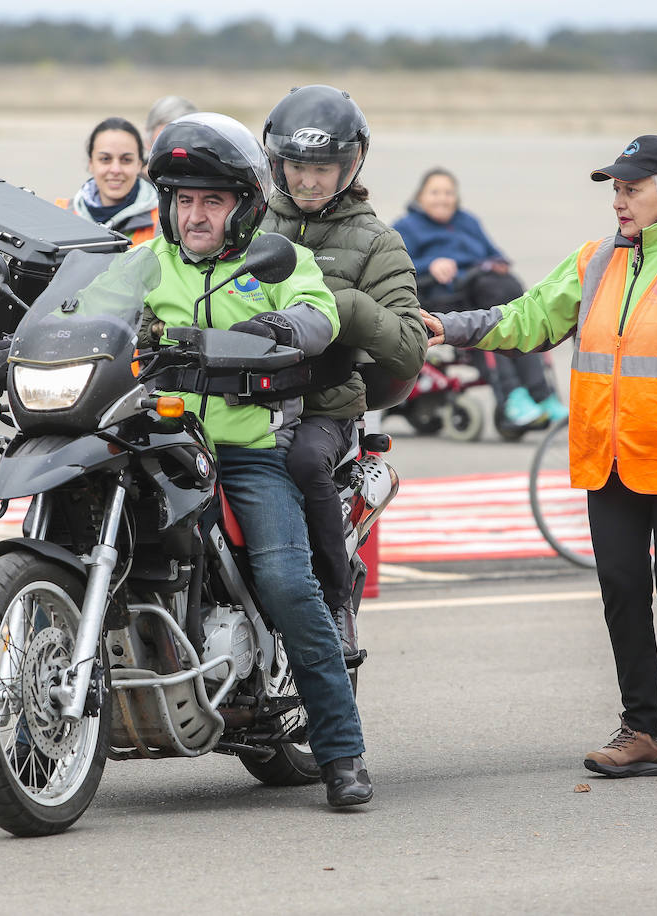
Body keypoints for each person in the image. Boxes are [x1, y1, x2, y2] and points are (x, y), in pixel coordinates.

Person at [422, 135, 657, 777]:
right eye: (615, 188)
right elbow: (528, 318)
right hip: (609, 457)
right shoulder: (593, 261)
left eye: (631, 188)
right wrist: (452, 326)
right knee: (621, 587)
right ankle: (643, 732)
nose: (619, 200)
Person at [139, 112, 373, 808]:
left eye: (211, 200)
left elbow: (318, 312)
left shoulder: (274, 258)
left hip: (244, 453)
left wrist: (278, 326)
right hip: (158, 446)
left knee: (286, 581)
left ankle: (341, 752)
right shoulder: (147, 261)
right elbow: (84, 303)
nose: (195, 215)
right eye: (184, 200)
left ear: (243, 206)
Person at [260, 85, 427, 663]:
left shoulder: (378, 241)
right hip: (243, 398)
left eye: (324, 168)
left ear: (348, 166)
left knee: (306, 463)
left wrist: (345, 307)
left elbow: (409, 349)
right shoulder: (246, 222)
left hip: (325, 404)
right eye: (298, 167)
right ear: (277, 163)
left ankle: (335, 603)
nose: (309, 181)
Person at [396, 167, 567, 428]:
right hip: (441, 298)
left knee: (516, 322)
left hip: (480, 292)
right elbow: (393, 268)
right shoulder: (406, 227)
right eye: (435, 192)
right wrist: (431, 264)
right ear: (420, 196)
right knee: (489, 325)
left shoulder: (468, 221)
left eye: (448, 193)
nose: (442, 198)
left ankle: (542, 396)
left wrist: (498, 264)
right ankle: (512, 397)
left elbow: (495, 254)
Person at [57, 117, 159, 245]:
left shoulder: (163, 223)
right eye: (105, 159)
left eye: (126, 160)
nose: (115, 169)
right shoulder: (60, 214)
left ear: (139, 165)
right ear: (91, 163)